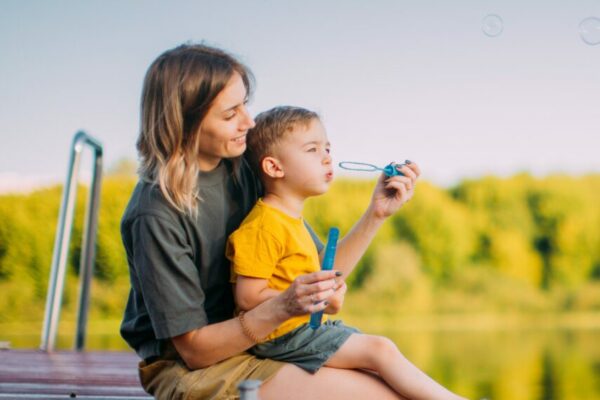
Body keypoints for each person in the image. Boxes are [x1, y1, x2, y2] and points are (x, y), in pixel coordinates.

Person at [120, 42, 423, 400]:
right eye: (230, 113)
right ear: (185, 120)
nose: (248, 122)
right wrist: (283, 306)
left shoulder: (245, 171)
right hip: (193, 367)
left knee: (396, 383)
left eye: (244, 104)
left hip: (267, 342)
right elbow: (194, 350)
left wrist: (376, 215)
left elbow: (319, 270)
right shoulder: (156, 213)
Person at [226, 106, 467, 400]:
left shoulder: (290, 221)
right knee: (380, 350)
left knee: (377, 370)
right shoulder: (263, 225)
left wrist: (321, 293)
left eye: (327, 147)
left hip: (298, 332)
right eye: (312, 149)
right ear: (275, 168)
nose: (327, 156)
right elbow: (247, 298)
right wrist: (310, 298)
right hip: (281, 337)